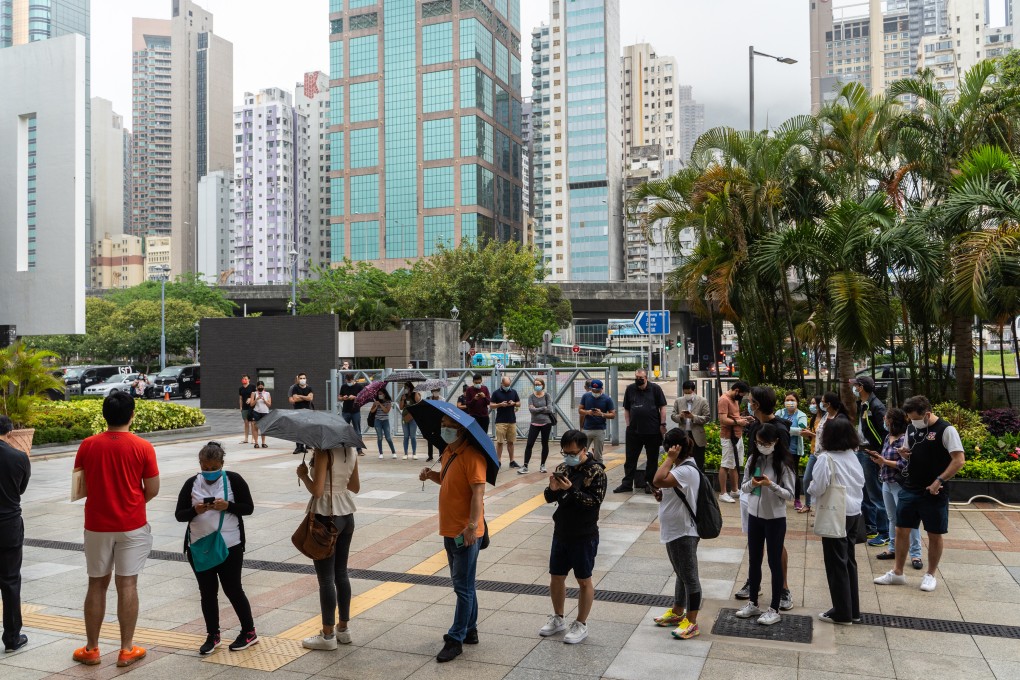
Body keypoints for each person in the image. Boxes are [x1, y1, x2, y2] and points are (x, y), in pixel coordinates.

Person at [71, 393, 160, 668]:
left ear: (104, 414)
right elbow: (153, 488)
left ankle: (92, 648)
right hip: (132, 525)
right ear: (132, 415)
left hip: (97, 524)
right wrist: (132, 502)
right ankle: (126, 649)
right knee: (128, 583)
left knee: (96, 583)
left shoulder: (87, 445)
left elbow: (78, 487)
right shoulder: (143, 446)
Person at [874, 395, 965, 593]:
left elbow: (959, 460)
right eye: (910, 419)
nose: (912, 422)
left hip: (935, 490)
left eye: (915, 418)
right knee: (901, 528)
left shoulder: (946, 429)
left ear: (927, 414)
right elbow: (909, 451)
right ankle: (897, 572)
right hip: (910, 486)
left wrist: (939, 480)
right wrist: (905, 453)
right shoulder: (911, 428)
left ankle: (930, 574)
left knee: (934, 533)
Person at [174, 442, 257, 655]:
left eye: (214, 467)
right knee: (207, 593)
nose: (209, 471)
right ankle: (213, 635)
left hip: (230, 546)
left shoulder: (234, 480)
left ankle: (249, 632)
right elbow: (179, 515)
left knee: (233, 589)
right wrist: (195, 510)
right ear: (200, 463)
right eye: (205, 466)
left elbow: (248, 508)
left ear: (222, 463)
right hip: (199, 547)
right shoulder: (191, 483)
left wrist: (228, 506)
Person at [418, 415, 488, 663]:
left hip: (464, 532)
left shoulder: (473, 457)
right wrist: (431, 475)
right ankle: (470, 630)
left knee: (462, 587)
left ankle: (456, 638)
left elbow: (478, 494)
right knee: (466, 584)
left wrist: (471, 526)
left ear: (462, 431)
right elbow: (448, 480)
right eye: (443, 425)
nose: (444, 429)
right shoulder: (449, 452)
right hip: (449, 529)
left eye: (450, 426)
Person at [539, 430, 607, 645]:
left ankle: (581, 623)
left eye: (572, 452)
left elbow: (594, 502)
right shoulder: (563, 468)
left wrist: (570, 491)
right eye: (565, 452)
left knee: (583, 579)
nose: (568, 456)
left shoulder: (596, 472)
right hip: (562, 530)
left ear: (584, 450)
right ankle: (558, 617)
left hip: (584, 533)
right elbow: (550, 498)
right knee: (556, 575)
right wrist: (552, 489)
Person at [298, 446, 360, 650]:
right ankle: (343, 629)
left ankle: (327, 636)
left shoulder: (324, 452)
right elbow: (355, 486)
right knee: (341, 573)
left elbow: (317, 491)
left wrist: (304, 475)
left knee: (325, 579)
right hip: (346, 514)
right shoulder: (351, 450)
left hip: (326, 516)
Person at [736, 387, 793, 609]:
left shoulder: (778, 429)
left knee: (776, 549)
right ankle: (754, 585)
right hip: (754, 500)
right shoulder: (755, 427)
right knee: (755, 550)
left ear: (757, 404)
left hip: (774, 502)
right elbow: (751, 467)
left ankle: (784, 590)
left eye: (750, 401)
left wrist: (774, 486)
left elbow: (785, 464)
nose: (748, 403)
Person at [808, 417, 866, 625]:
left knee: (836, 564)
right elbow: (861, 482)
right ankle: (853, 610)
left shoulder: (826, 458)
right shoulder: (853, 455)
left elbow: (818, 486)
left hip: (835, 513)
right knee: (849, 561)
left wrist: (809, 491)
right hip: (853, 513)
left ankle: (841, 612)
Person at [650, 428, 702, 640]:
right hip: (676, 529)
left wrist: (668, 459)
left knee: (689, 576)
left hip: (684, 531)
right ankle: (678, 611)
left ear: (672, 447)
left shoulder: (685, 469)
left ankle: (691, 622)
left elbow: (658, 479)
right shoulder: (682, 468)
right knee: (680, 572)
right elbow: (665, 485)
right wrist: (664, 493)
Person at [867, 408, 924, 570]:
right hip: (886, 483)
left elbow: (904, 464)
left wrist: (884, 461)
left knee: (908, 520)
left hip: (900, 485)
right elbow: (885, 458)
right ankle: (893, 549)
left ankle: (916, 554)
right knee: (892, 518)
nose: (884, 421)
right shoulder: (887, 437)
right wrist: (879, 459)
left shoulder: (905, 439)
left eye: (886, 419)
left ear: (892, 421)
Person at [0, 415, 30, 653]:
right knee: (10, 581)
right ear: (10, 433)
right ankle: (12, 637)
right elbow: (21, 488)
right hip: (8, 525)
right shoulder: (19, 458)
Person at [615, 369, 668, 494]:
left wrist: (662, 424)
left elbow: (663, 407)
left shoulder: (655, 389)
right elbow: (626, 408)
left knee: (652, 459)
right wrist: (628, 424)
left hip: (652, 431)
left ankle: (650, 484)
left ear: (646, 378)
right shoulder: (630, 389)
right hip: (634, 431)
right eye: (637, 377)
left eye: (641, 378)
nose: (638, 379)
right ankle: (627, 483)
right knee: (630, 459)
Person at [852, 377, 889, 547]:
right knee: (865, 491)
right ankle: (871, 526)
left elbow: (884, 432)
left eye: (855, 385)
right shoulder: (864, 404)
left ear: (861, 387)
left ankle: (884, 532)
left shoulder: (876, 406)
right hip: (862, 450)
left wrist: (878, 452)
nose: (853, 388)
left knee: (875, 492)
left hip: (871, 452)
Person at [716, 381, 752, 503]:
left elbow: (734, 417)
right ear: (736, 390)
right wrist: (738, 422)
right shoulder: (724, 400)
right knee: (725, 464)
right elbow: (723, 419)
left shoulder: (735, 400)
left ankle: (735, 490)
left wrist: (744, 419)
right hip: (728, 436)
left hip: (737, 435)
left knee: (735, 464)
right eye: (742, 394)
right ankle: (723, 493)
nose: (742, 397)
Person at [775, 392, 808, 511]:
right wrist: (791, 430)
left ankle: (797, 499)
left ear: (797, 402)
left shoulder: (801, 415)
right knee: (778, 472)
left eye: (792, 400)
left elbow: (803, 430)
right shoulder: (779, 413)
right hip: (780, 448)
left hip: (794, 449)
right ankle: (779, 496)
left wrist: (784, 429)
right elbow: (774, 426)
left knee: (794, 473)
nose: (789, 402)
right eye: (787, 400)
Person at [670, 381, 711, 470]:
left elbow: (707, 417)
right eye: (685, 393)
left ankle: (699, 478)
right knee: (682, 458)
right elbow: (673, 416)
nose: (687, 394)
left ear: (694, 391)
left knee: (699, 460)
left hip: (697, 434)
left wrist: (693, 417)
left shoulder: (702, 401)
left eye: (689, 392)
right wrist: (680, 417)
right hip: (683, 434)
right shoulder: (678, 401)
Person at [796, 395, 825, 514]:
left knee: (823, 481)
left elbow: (824, 436)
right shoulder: (813, 419)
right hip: (814, 453)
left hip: (823, 454)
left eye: (814, 403)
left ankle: (821, 508)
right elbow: (812, 436)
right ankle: (807, 505)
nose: (812, 406)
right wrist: (806, 433)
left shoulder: (825, 418)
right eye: (811, 403)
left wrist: (811, 434)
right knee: (807, 478)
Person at [521, 378, 554, 474]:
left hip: (546, 423)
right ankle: (525, 465)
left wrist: (538, 409)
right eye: (535, 384)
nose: (537, 386)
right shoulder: (531, 397)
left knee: (544, 443)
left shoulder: (547, 396)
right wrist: (543, 408)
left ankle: (542, 465)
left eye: (539, 384)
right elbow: (531, 410)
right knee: (529, 444)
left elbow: (550, 409)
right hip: (534, 423)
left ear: (543, 385)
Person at [579, 379, 616, 463]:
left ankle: (599, 473)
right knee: (581, 453)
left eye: (597, 390)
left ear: (601, 389)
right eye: (593, 390)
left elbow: (613, 414)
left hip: (599, 430)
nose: (595, 392)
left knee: (598, 455)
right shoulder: (586, 396)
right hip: (587, 429)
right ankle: (582, 472)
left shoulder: (607, 399)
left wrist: (602, 414)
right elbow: (580, 410)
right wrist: (588, 412)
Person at [490, 376, 521, 468]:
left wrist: (514, 403)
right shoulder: (496, 393)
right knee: (500, 442)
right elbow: (491, 405)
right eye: (506, 385)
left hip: (511, 420)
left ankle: (512, 461)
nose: (507, 387)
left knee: (511, 442)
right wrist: (500, 404)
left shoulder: (513, 392)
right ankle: (498, 461)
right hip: (500, 421)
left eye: (509, 385)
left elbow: (519, 403)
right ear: (502, 384)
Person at [289, 373, 314, 454]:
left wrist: (301, 396)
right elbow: (295, 399)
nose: (302, 379)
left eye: (304, 378)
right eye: (301, 378)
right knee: (298, 429)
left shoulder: (309, 388)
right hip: (298, 411)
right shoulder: (295, 388)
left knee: (305, 429)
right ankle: (298, 447)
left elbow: (310, 398)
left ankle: (304, 445)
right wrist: (305, 397)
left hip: (307, 411)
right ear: (298, 379)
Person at [370, 388, 397, 459]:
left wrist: (380, 405)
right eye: (378, 394)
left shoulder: (388, 402)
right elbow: (372, 411)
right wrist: (376, 406)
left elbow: (386, 411)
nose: (380, 395)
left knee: (388, 437)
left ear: (384, 394)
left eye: (381, 394)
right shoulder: (376, 401)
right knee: (379, 437)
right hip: (377, 421)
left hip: (385, 421)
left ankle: (393, 452)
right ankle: (381, 453)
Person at [338, 373, 364, 442]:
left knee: (357, 430)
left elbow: (363, 397)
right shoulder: (343, 386)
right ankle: (345, 448)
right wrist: (343, 398)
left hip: (355, 411)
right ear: (346, 380)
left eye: (350, 381)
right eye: (347, 381)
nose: (349, 382)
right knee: (344, 429)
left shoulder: (359, 386)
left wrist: (355, 397)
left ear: (353, 379)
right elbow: (339, 397)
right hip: (345, 411)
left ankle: (359, 449)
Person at [399, 382, 422, 460]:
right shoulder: (403, 396)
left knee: (413, 436)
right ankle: (405, 453)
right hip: (404, 418)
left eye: (407, 387)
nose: (405, 389)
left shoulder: (415, 394)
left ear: (410, 387)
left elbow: (419, 402)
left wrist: (416, 392)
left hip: (413, 418)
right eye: (405, 387)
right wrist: (402, 400)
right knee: (406, 436)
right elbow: (401, 407)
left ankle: (414, 453)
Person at [247, 381, 271, 449]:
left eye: (262, 386)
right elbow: (251, 404)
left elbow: (269, 405)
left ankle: (263, 443)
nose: (260, 388)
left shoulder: (267, 393)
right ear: (257, 387)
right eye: (259, 387)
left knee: (263, 428)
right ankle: (256, 443)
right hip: (256, 412)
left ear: (264, 387)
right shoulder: (254, 393)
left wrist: (264, 400)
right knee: (255, 427)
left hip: (265, 412)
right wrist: (256, 399)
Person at [425, 387, 443, 462]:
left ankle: (440, 456)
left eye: (437, 391)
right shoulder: (428, 399)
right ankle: (430, 456)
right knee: (430, 438)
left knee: (439, 438)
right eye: (434, 391)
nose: (436, 392)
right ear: (432, 391)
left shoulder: (442, 399)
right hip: (430, 421)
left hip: (438, 420)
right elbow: (425, 409)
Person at [238, 375, 256, 444]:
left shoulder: (252, 386)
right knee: (246, 423)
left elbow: (256, 395)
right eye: (243, 379)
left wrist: (250, 399)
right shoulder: (241, 388)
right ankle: (246, 438)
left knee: (252, 422)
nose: (244, 380)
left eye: (245, 379)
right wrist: (240, 407)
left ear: (249, 380)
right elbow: (240, 398)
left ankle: (253, 438)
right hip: (244, 407)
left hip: (251, 407)